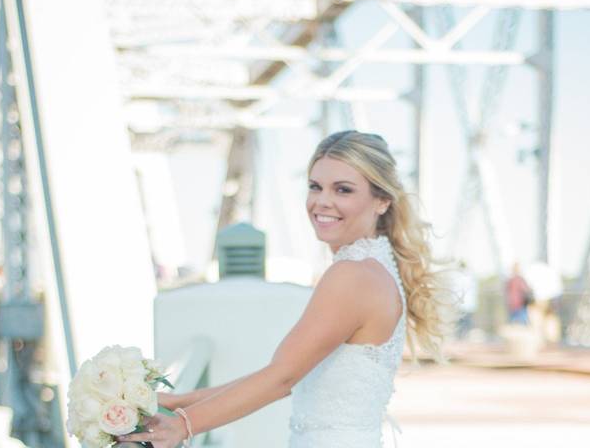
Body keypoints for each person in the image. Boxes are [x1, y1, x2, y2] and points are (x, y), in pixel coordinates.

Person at [118, 130, 448, 448]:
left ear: (382, 201)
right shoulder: (376, 269)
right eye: (315, 187)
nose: (322, 201)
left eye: (343, 190)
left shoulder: (352, 275)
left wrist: (184, 425)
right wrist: (182, 401)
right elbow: (288, 373)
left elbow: (281, 379)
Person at [452, 260, 477, 339]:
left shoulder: (456, 276)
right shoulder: (470, 276)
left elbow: (453, 290)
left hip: (460, 303)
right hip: (467, 304)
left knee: (460, 322)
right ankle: (464, 337)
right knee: (466, 323)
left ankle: (460, 337)